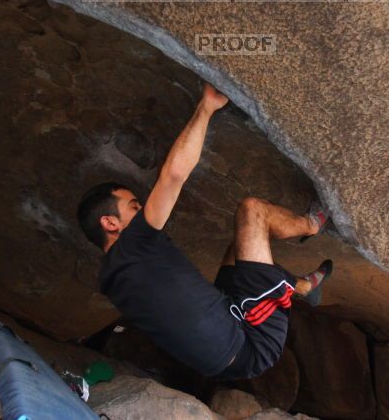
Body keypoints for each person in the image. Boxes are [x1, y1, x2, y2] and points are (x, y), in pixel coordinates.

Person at [77, 83, 333, 380]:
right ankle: (311, 225)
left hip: (226, 337)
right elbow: (173, 175)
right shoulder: (133, 245)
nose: (142, 208)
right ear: (110, 223)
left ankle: (302, 288)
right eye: (134, 206)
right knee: (252, 212)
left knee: (241, 246)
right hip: (251, 338)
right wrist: (207, 106)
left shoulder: (112, 279)